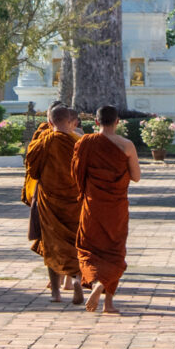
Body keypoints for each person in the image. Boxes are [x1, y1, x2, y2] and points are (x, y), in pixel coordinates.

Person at [72, 105, 141, 315]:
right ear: (117, 121)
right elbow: (136, 176)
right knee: (115, 251)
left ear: (96, 122)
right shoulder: (127, 145)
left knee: (88, 249)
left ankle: (95, 283)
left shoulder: (85, 142)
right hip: (116, 208)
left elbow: (76, 174)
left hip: (93, 206)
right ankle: (108, 302)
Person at [24, 106, 84, 304]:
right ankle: (76, 279)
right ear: (71, 122)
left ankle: (56, 293)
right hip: (74, 201)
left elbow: (33, 171)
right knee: (75, 243)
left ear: (50, 122)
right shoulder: (79, 142)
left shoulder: (43, 142)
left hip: (49, 200)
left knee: (52, 244)